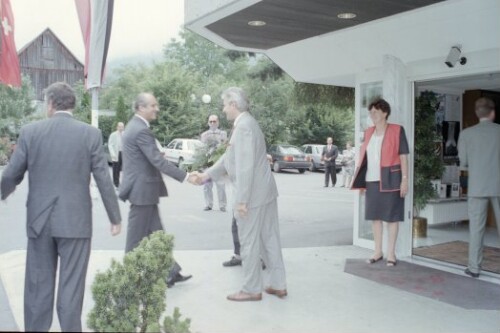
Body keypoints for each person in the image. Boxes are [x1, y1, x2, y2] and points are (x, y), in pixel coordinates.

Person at [0, 82, 122, 332]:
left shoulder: (30, 131)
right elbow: (103, 179)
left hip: (39, 222)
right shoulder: (90, 134)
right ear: (73, 105)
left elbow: (12, 174)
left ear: (50, 103)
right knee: (71, 289)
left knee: (38, 288)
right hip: (76, 222)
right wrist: (115, 217)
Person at [196, 87, 287, 301]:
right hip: (265, 192)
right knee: (270, 239)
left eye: (225, 105)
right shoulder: (247, 124)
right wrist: (205, 176)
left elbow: (245, 167)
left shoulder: (244, 127)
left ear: (234, 105)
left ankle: (251, 289)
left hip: (253, 196)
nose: (223, 109)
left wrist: (242, 201)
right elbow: (229, 159)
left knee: (249, 241)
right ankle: (278, 284)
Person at [119, 92, 197, 287]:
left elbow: (148, 158)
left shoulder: (134, 127)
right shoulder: (140, 130)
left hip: (144, 190)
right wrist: (186, 176)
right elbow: (156, 160)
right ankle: (127, 278)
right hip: (142, 191)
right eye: (153, 105)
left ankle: (170, 271)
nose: (157, 109)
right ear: (140, 108)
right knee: (136, 237)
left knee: (157, 234)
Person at [351, 98, 409, 267]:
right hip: (371, 180)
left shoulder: (397, 130)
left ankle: (391, 253)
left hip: (391, 179)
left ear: (385, 113)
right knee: (375, 217)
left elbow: (404, 156)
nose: (372, 114)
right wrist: (360, 182)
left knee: (391, 218)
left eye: (375, 111)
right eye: (370, 112)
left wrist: (404, 180)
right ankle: (378, 251)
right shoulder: (368, 132)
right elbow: (364, 158)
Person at [457, 97, 500, 278]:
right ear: (493, 113)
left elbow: (464, 162)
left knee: (476, 229)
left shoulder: (467, 134)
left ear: (477, 113)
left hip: (477, 186)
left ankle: (474, 268)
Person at [200, 115, 227, 212]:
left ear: (218, 122)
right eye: (210, 121)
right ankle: (208, 204)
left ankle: (222, 205)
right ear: (208, 123)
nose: (212, 123)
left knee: (221, 185)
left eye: (214, 121)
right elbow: (202, 149)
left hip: (218, 162)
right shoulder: (204, 135)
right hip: (207, 163)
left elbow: (224, 146)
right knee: (207, 185)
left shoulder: (222, 134)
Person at [108, 121, 124, 188]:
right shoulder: (113, 134)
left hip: (123, 153)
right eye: (120, 126)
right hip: (116, 153)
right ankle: (116, 183)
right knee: (116, 169)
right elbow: (110, 145)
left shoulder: (125, 134)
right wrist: (113, 154)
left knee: (122, 168)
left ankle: (121, 182)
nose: (121, 128)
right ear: (117, 127)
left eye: (122, 126)